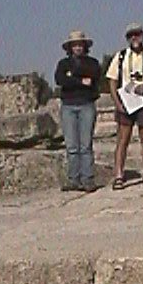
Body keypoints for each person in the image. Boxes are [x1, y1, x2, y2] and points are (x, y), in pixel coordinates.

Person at [106, 23, 143, 190]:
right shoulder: (121, 56)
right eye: (131, 35)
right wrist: (117, 103)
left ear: (142, 35)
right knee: (122, 140)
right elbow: (112, 81)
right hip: (126, 101)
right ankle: (118, 176)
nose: (134, 38)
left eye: (137, 34)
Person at [55, 30, 101, 192]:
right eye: (74, 45)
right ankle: (73, 179)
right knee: (72, 146)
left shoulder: (92, 63)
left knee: (85, 145)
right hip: (68, 105)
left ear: (85, 46)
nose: (78, 48)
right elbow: (60, 80)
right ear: (70, 47)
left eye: (80, 45)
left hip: (86, 104)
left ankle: (87, 179)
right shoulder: (63, 64)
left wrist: (72, 78)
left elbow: (93, 77)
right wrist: (81, 80)